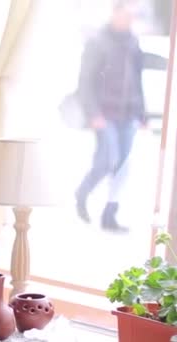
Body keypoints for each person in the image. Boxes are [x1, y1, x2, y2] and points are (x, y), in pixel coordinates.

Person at [75, 0, 146, 232]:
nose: (128, 19)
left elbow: (137, 79)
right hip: (105, 115)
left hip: (129, 116)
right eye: (125, 14)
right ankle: (82, 192)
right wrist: (93, 114)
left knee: (122, 167)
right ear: (115, 13)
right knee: (106, 161)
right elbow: (85, 82)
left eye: (132, 16)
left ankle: (109, 215)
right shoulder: (98, 42)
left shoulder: (133, 42)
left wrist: (141, 112)